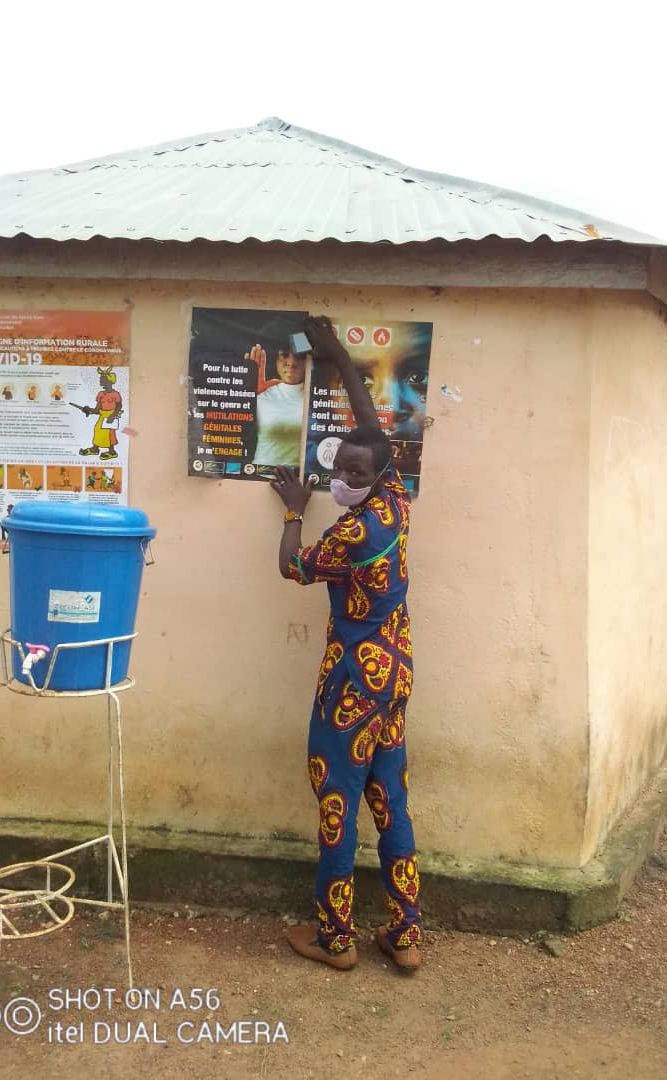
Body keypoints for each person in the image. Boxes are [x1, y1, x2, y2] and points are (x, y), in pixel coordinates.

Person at [271, 315, 422, 975]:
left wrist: (294, 509)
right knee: (390, 801)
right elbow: (370, 426)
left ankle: (336, 939)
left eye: (353, 472)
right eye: (342, 467)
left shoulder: (350, 536)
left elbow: (291, 567)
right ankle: (405, 933)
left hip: (352, 684)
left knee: (337, 803)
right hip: (395, 675)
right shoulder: (395, 503)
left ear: (374, 475)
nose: (344, 476)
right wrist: (335, 354)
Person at [246, 343, 307, 468]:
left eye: (300, 356)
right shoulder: (261, 393)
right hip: (260, 474)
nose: (291, 363)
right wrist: (247, 396)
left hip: (300, 478)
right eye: (284, 355)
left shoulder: (319, 397)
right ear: (275, 360)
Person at [78, 367, 122, 460]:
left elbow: (119, 406)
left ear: (109, 380)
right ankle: (95, 449)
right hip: (102, 416)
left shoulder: (115, 394)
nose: (100, 380)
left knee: (109, 434)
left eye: (102, 378)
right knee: (97, 429)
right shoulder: (101, 394)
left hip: (111, 417)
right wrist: (88, 410)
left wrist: (113, 415)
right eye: (101, 378)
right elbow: (97, 409)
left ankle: (112, 452)